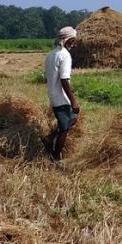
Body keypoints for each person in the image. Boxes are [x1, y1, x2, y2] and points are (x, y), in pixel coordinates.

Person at [42, 26, 80, 162]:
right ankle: (56, 158)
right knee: (64, 129)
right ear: (67, 40)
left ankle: (50, 137)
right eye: (72, 41)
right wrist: (73, 101)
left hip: (52, 94)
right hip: (61, 97)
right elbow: (64, 80)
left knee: (72, 119)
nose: (73, 44)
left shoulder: (50, 55)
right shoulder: (64, 55)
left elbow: (46, 77)